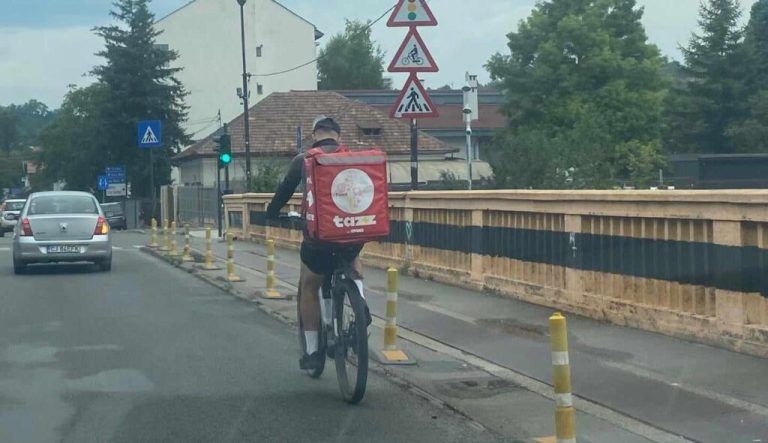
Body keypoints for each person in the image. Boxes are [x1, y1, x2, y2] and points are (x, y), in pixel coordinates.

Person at [266, 116, 364, 371]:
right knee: (353, 253)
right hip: (351, 234)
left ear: (314, 135)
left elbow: (285, 190)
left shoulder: (304, 160)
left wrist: (272, 213)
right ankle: (360, 302)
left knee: (309, 285)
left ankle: (312, 351)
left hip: (319, 241)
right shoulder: (354, 159)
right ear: (338, 136)